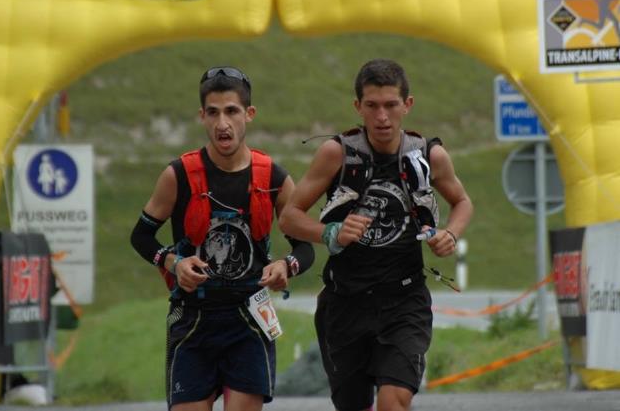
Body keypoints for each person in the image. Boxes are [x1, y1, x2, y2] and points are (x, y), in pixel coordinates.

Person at [279, 58, 473, 411]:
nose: (382, 117)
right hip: (345, 302)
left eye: (391, 105)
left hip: (404, 300)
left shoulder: (429, 156)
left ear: (407, 105)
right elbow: (289, 218)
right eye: (372, 106)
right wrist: (331, 231)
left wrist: (450, 234)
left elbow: (462, 202)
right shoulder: (336, 153)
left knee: (393, 399)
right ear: (358, 107)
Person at [130, 66, 314, 411]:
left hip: (249, 319)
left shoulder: (273, 176)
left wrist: (285, 266)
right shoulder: (178, 175)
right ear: (202, 116)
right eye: (212, 113)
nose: (222, 123)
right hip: (192, 320)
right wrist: (173, 261)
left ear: (249, 114)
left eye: (231, 111)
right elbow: (141, 236)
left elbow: (304, 248)